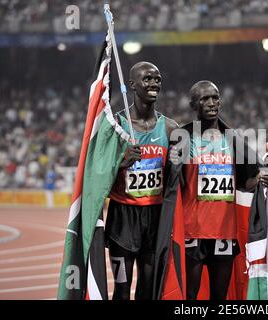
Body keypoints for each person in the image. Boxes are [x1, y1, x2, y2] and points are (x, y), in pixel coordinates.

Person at [177, 80, 268, 300]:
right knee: (190, 296)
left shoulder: (234, 141)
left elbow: (242, 182)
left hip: (224, 232)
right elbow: (175, 181)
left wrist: (259, 178)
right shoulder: (184, 138)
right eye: (204, 98)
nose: (212, 103)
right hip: (193, 231)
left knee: (220, 297)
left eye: (215, 97)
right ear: (194, 105)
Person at [105, 61, 178, 300]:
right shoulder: (116, 127)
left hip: (155, 220)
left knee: (148, 290)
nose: (154, 83)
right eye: (147, 79)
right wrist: (120, 162)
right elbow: (96, 177)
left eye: (157, 79)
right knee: (122, 289)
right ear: (132, 85)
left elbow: (179, 178)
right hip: (122, 220)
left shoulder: (170, 128)